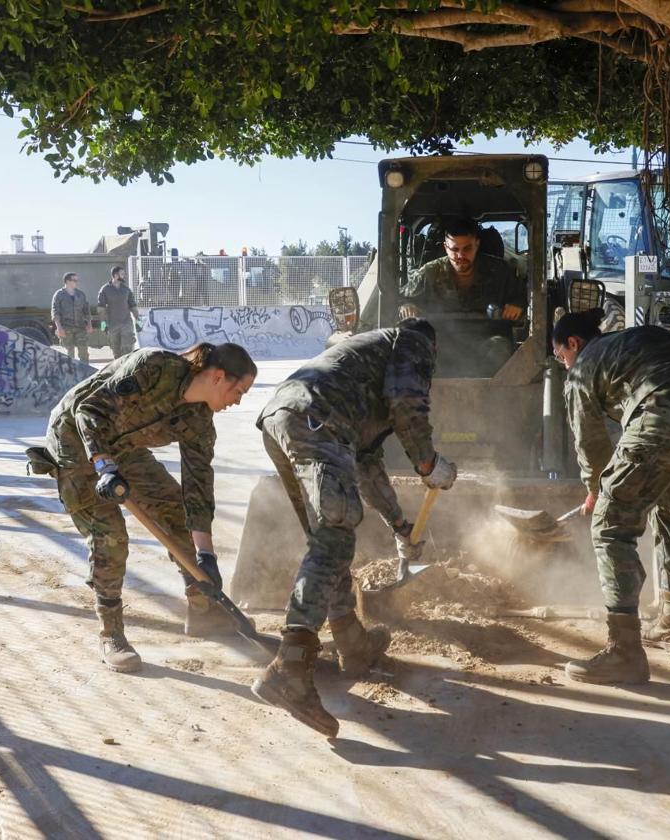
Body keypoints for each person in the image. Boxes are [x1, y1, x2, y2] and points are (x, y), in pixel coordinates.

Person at [251, 318, 457, 737]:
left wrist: (400, 526)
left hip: (283, 416)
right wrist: (427, 462)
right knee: (335, 538)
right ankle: (289, 667)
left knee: (326, 535)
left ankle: (350, 640)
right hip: (317, 421)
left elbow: (366, 465)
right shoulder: (414, 339)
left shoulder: (361, 370)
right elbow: (406, 404)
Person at [46, 342, 258, 672]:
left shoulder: (200, 421)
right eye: (239, 390)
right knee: (110, 539)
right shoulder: (154, 368)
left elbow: (198, 490)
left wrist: (206, 557)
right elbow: (89, 411)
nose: (238, 400)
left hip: (124, 450)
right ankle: (111, 634)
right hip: (76, 445)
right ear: (218, 377)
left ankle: (204, 611)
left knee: (177, 512)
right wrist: (104, 466)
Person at [553, 311, 670, 684]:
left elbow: (589, 441)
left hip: (666, 406)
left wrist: (595, 492)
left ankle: (624, 653)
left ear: (573, 343)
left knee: (610, 526)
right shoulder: (635, 342)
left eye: (560, 356)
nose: (564, 364)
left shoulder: (583, 366)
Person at [400, 218, 527, 375]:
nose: (460, 255)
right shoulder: (429, 274)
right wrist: (407, 307)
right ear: (445, 247)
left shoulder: (500, 271)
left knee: (499, 349)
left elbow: (526, 299)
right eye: (454, 249)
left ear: (477, 245)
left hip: (489, 338)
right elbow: (403, 300)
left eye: (467, 249)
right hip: (443, 342)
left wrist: (517, 305)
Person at [96, 265, 141, 359]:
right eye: (122, 274)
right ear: (115, 275)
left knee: (128, 350)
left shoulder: (126, 290)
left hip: (126, 323)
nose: (123, 276)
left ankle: (128, 371)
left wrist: (138, 321)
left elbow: (133, 306)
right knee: (116, 352)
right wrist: (103, 324)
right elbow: (101, 309)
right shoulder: (105, 290)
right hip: (112, 324)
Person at [51, 272, 92, 362]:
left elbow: (86, 310)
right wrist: (59, 328)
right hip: (66, 327)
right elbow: (55, 312)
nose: (76, 282)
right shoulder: (59, 295)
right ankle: (70, 372)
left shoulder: (81, 294)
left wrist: (89, 324)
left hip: (80, 327)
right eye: (74, 280)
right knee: (69, 353)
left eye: (77, 280)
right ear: (67, 281)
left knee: (83, 352)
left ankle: (86, 372)